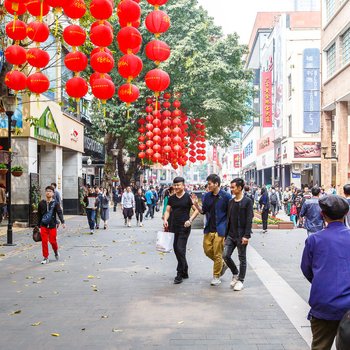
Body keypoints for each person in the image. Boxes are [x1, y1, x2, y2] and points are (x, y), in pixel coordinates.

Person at [301, 195, 350, 350]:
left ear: (323, 214)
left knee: (320, 346)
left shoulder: (314, 240)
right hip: (348, 305)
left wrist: (322, 281)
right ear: (345, 214)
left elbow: (306, 269)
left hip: (323, 303)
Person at [191, 174, 231, 286]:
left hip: (221, 228)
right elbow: (203, 211)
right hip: (209, 227)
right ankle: (223, 264)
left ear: (216, 184)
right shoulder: (207, 196)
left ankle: (216, 276)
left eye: (209, 184)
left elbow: (231, 213)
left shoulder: (226, 196)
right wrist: (196, 205)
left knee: (218, 253)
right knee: (207, 250)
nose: (208, 186)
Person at [163, 177, 199, 284]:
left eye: (179, 185)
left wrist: (190, 220)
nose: (176, 187)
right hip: (173, 226)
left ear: (183, 185)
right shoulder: (172, 198)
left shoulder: (188, 197)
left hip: (185, 227)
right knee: (176, 249)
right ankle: (185, 269)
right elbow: (168, 210)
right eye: (175, 185)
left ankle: (179, 274)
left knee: (180, 248)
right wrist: (165, 219)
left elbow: (196, 210)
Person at [223, 178, 253, 291]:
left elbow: (249, 219)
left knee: (242, 258)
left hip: (241, 235)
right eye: (231, 187)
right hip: (230, 235)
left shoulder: (247, 201)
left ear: (240, 188)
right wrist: (225, 236)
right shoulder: (231, 202)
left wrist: (246, 235)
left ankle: (240, 280)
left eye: (233, 187)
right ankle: (235, 273)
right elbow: (228, 219)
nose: (231, 189)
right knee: (225, 255)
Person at [37, 185, 65, 264]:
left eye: (50, 191)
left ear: (53, 193)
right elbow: (39, 215)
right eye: (47, 191)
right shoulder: (41, 203)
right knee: (44, 241)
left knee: (53, 241)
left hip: (52, 225)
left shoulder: (55, 203)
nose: (48, 192)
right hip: (43, 225)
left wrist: (62, 222)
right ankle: (45, 257)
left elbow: (59, 212)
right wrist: (38, 226)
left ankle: (56, 251)